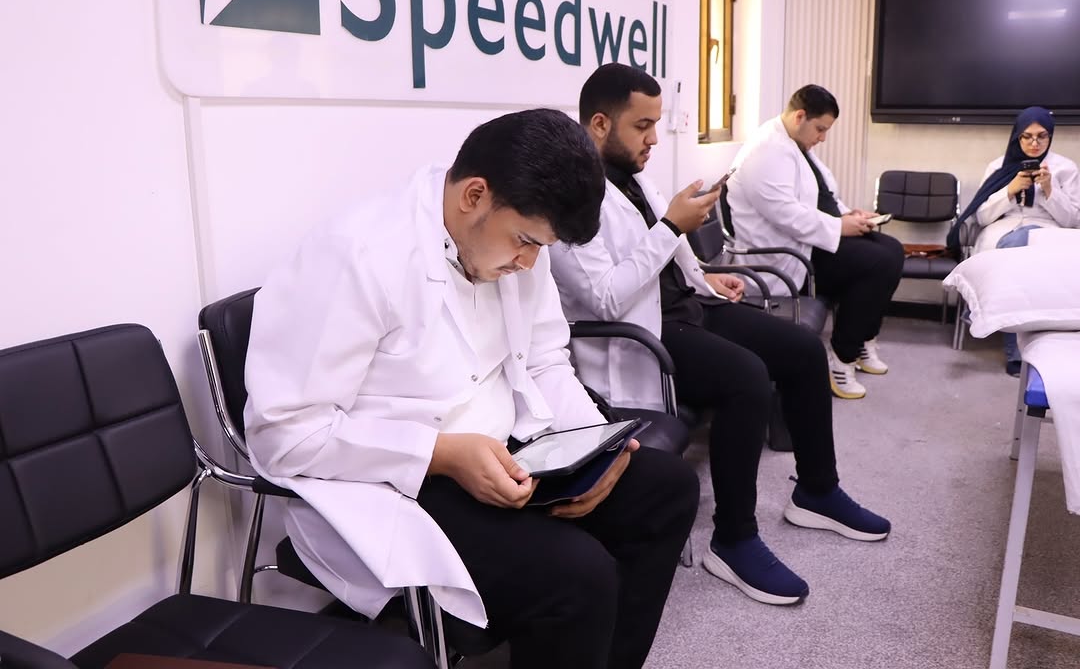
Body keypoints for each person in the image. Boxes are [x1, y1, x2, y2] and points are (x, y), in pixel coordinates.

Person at [242, 108, 699, 669]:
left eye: (543, 247)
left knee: (667, 488)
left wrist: (596, 448)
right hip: (390, 481)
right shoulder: (356, 254)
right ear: (474, 195)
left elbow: (546, 360)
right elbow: (283, 436)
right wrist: (441, 455)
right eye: (525, 241)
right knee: (579, 578)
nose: (530, 263)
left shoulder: (516, 243)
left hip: (505, 451)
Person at [549, 63, 890, 607]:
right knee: (746, 379)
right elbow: (605, 297)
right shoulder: (568, 198)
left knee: (803, 350)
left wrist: (703, 275)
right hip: (644, 333)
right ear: (599, 124)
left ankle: (817, 490)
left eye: (656, 124)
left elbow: (664, 253)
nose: (654, 139)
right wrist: (672, 226)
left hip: (689, 306)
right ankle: (732, 539)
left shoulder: (632, 175)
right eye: (642, 126)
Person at [726, 85, 905, 399]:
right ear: (800, 117)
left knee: (892, 249)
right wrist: (839, 226)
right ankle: (842, 358)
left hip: (807, 241)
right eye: (820, 129)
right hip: (785, 256)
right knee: (877, 263)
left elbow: (822, 196)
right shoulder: (765, 152)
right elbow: (787, 214)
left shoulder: (794, 145)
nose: (822, 138)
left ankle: (864, 338)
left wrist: (850, 215)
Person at [948, 106, 1080, 376]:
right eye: (1027, 136)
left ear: (1050, 136)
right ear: (1017, 136)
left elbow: (1071, 221)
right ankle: (1016, 352)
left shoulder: (1065, 168)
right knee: (1015, 249)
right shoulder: (998, 167)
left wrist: (1050, 190)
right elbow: (982, 216)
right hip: (1002, 230)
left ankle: (991, 314)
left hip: (1047, 230)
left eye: (1042, 136)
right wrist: (1009, 190)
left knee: (1021, 252)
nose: (1034, 143)